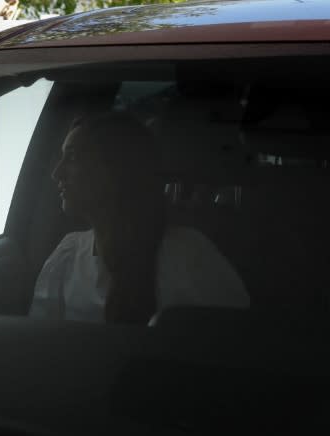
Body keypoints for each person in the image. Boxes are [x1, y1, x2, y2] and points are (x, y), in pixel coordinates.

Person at [29, 112, 250, 324]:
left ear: (116, 169)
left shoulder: (189, 256)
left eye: (72, 157)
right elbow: (42, 345)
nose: (57, 173)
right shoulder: (67, 256)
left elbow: (230, 342)